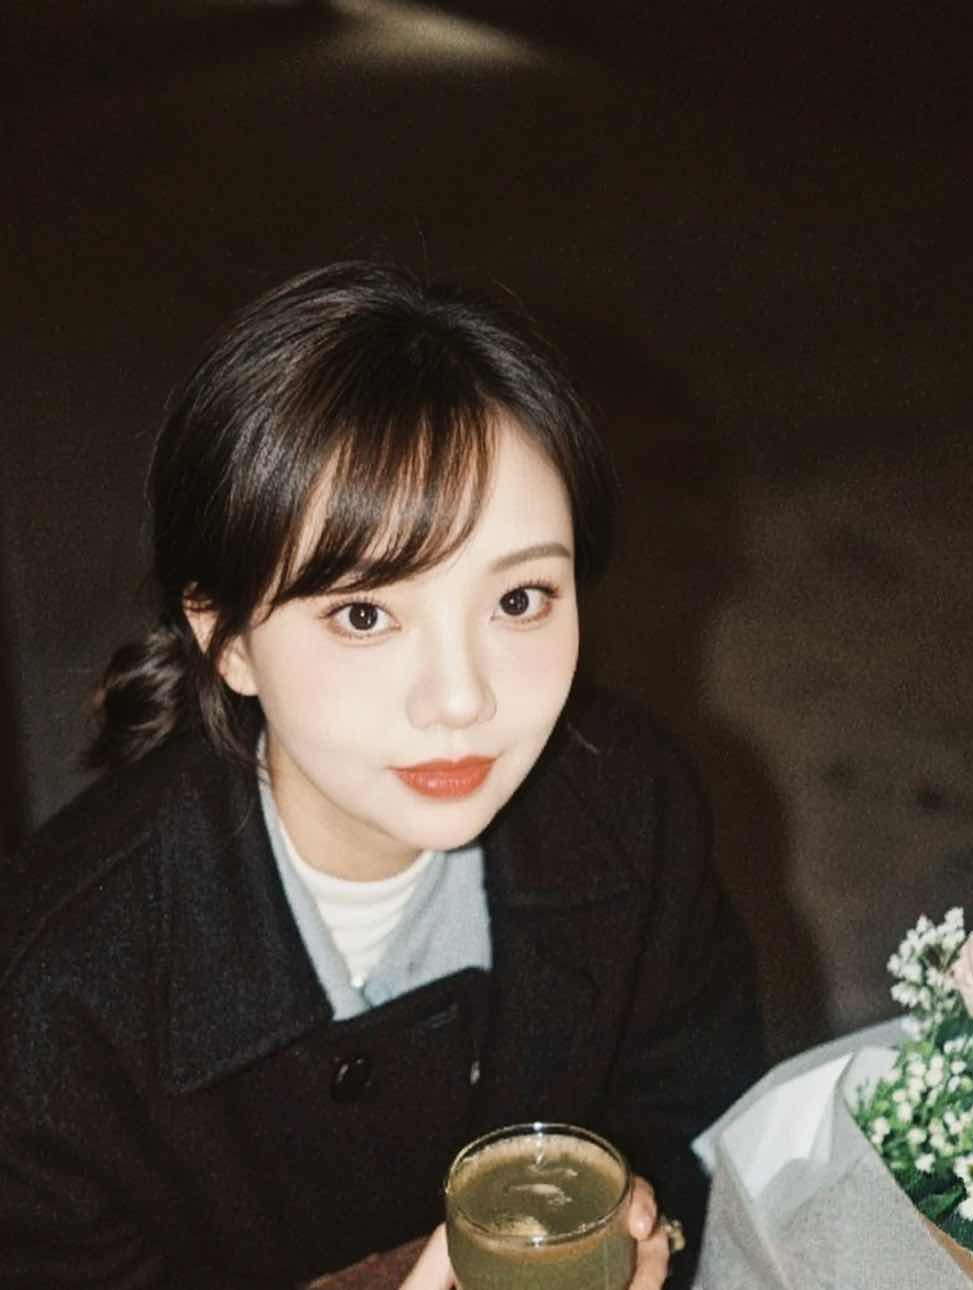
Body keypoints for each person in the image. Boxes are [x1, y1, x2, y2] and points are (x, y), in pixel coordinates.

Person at [0, 261, 764, 1288]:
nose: (460, 699)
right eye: (365, 614)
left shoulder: (632, 805)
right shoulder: (54, 1005)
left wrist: (648, 1223)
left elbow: (708, 1121)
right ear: (224, 635)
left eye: (520, 600)